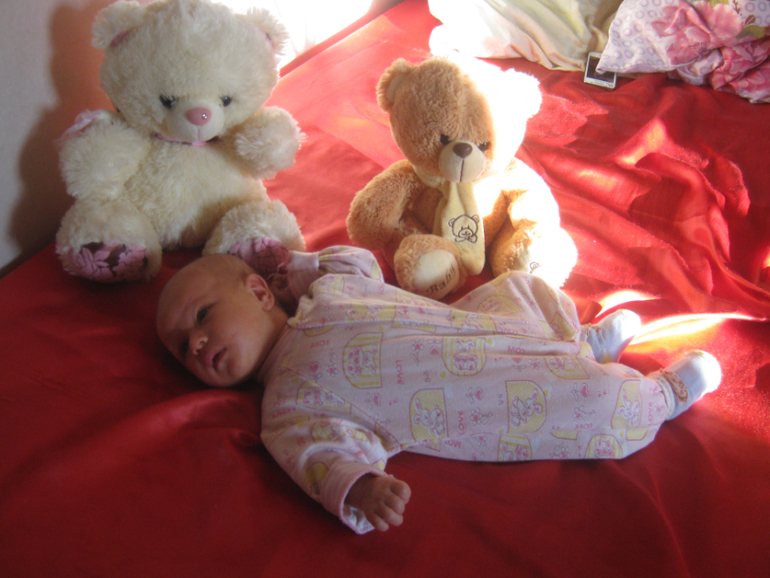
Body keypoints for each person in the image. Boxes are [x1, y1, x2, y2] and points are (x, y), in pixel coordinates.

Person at [156, 245, 721, 534]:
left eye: (203, 316)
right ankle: (664, 395)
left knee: (522, 287)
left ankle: (584, 341)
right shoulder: (286, 405)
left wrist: (300, 268)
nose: (197, 343)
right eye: (183, 348)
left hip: (473, 325)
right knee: (594, 405)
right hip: (482, 396)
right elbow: (315, 455)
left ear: (259, 292)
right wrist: (359, 488)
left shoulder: (323, 293)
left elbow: (361, 265)